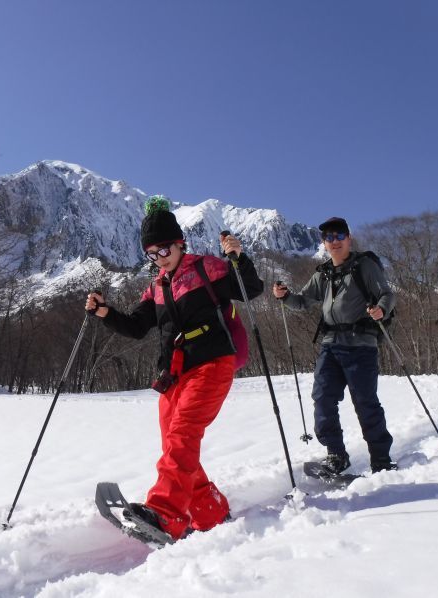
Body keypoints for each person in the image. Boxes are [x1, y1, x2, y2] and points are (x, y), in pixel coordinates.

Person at [85, 195, 263, 541]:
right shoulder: (156, 288)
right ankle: (210, 511)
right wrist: (106, 313)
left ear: (180, 243)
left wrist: (238, 258)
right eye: (152, 254)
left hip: (213, 361)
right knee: (174, 444)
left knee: (183, 434)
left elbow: (250, 289)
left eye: (165, 249)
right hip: (175, 372)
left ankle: (164, 514)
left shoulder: (207, 269)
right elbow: (137, 327)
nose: (160, 258)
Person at [272, 216, 397, 474]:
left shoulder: (365, 266)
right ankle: (336, 455)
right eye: (329, 237)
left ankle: (382, 461)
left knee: (365, 402)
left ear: (349, 239)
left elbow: (387, 293)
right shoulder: (324, 273)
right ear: (324, 243)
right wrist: (284, 297)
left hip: (361, 345)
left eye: (339, 236)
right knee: (323, 398)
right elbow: (304, 301)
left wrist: (381, 310)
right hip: (330, 346)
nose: (335, 241)